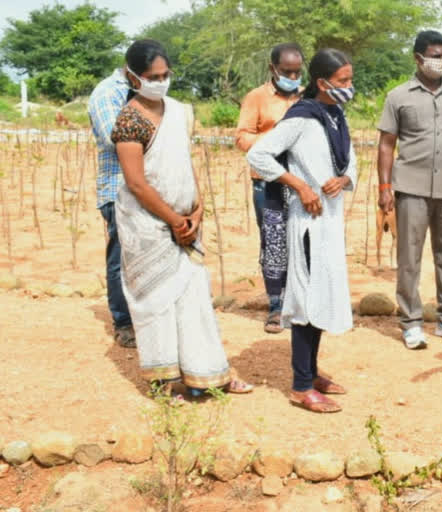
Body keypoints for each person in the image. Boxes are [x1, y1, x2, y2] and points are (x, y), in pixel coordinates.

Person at [112, 39, 252, 396]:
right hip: (148, 226)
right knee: (157, 302)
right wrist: (174, 220)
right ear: (132, 76)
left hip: (186, 221)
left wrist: (198, 207)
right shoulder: (130, 120)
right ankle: (165, 381)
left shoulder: (178, 111)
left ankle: (206, 374)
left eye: (165, 74)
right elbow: (137, 183)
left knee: (194, 298)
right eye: (151, 76)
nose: (160, 81)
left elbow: (184, 163)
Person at [247, 48, 357, 413]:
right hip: (308, 222)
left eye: (350, 79)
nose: (349, 86)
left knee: (323, 295)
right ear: (323, 83)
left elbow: (349, 162)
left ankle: (311, 372)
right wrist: (300, 186)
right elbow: (258, 156)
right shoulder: (302, 117)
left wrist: (343, 179)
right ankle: (300, 384)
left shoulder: (335, 115)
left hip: (330, 220)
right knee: (307, 300)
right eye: (343, 81)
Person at [377, 30, 442, 350]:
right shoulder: (398, 96)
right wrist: (384, 186)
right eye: (435, 56)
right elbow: (386, 145)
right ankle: (411, 322)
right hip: (411, 188)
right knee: (409, 258)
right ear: (418, 58)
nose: (441, 62)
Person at [236, 43, 304, 334]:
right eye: (287, 71)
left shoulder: (307, 97)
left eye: (297, 71)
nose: (292, 76)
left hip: (301, 181)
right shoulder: (257, 98)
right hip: (268, 180)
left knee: (302, 239)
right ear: (272, 69)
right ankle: (276, 305)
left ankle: (299, 302)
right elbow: (242, 136)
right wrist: (273, 145)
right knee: (274, 240)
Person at [88, 48, 134, 347]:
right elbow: (113, 136)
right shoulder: (108, 93)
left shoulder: (142, 94)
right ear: (132, 69)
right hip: (119, 188)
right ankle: (123, 321)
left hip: (150, 189)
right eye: (154, 75)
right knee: (121, 257)